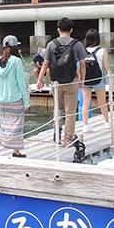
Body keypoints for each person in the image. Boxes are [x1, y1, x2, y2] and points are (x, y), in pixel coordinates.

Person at [38, 17, 86, 148]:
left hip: (56, 82)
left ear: (58, 30)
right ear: (71, 30)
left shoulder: (51, 44)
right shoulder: (77, 44)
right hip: (71, 81)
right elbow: (83, 64)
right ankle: (67, 139)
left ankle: (57, 132)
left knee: (58, 108)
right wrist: (81, 80)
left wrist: (39, 79)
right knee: (70, 111)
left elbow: (46, 63)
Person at [0, 35, 31, 158]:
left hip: (2, 99)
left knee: (5, 125)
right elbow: (21, 83)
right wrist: (26, 102)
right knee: (17, 126)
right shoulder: (16, 62)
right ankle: (16, 151)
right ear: (15, 47)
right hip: (15, 99)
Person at [80, 29, 110, 132]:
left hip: (85, 79)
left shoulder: (82, 50)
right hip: (98, 79)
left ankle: (85, 125)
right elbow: (106, 67)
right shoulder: (103, 51)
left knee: (86, 102)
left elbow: (80, 66)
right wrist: (111, 78)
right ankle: (107, 123)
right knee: (102, 102)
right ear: (98, 39)